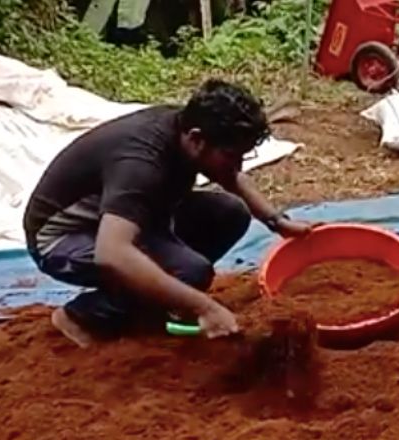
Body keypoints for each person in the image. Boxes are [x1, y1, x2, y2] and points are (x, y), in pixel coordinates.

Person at [23, 78, 312, 348]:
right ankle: (82, 316)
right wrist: (204, 306)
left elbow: (229, 174)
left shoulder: (187, 128)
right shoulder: (141, 164)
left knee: (229, 213)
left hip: (131, 217)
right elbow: (111, 253)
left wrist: (277, 222)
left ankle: (156, 297)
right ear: (197, 140)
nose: (237, 165)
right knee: (189, 270)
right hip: (63, 239)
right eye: (230, 155)